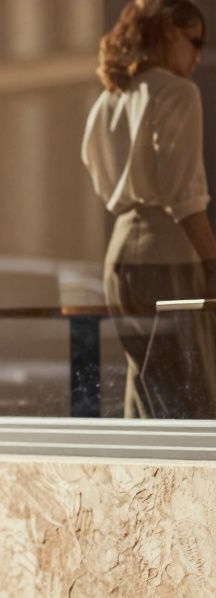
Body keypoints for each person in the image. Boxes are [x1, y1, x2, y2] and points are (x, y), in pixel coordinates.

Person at [83, 0, 216, 418]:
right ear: (170, 34)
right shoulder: (178, 93)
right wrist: (213, 262)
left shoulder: (111, 99)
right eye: (195, 41)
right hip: (167, 254)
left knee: (143, 392)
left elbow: (95, 166)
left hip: (120, 257)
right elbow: (185, 197)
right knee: (188, 402)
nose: (198, 55)